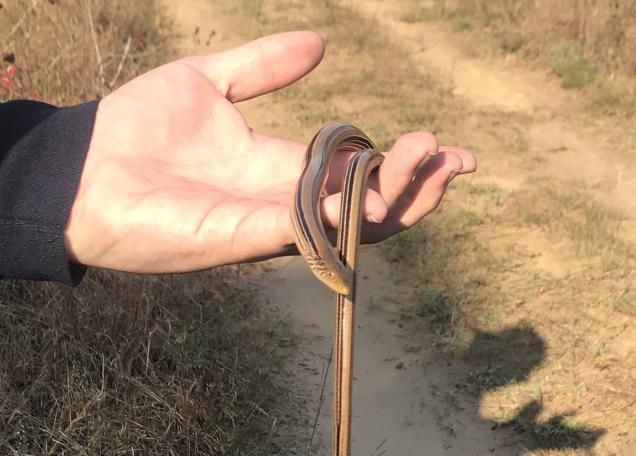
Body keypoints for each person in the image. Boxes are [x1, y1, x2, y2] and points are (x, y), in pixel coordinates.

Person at [0, 31, 476, 286]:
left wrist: (59, 163)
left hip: (342, 149)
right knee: (332, 193)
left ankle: (360, 161)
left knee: (346, 178)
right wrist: (61, 179)